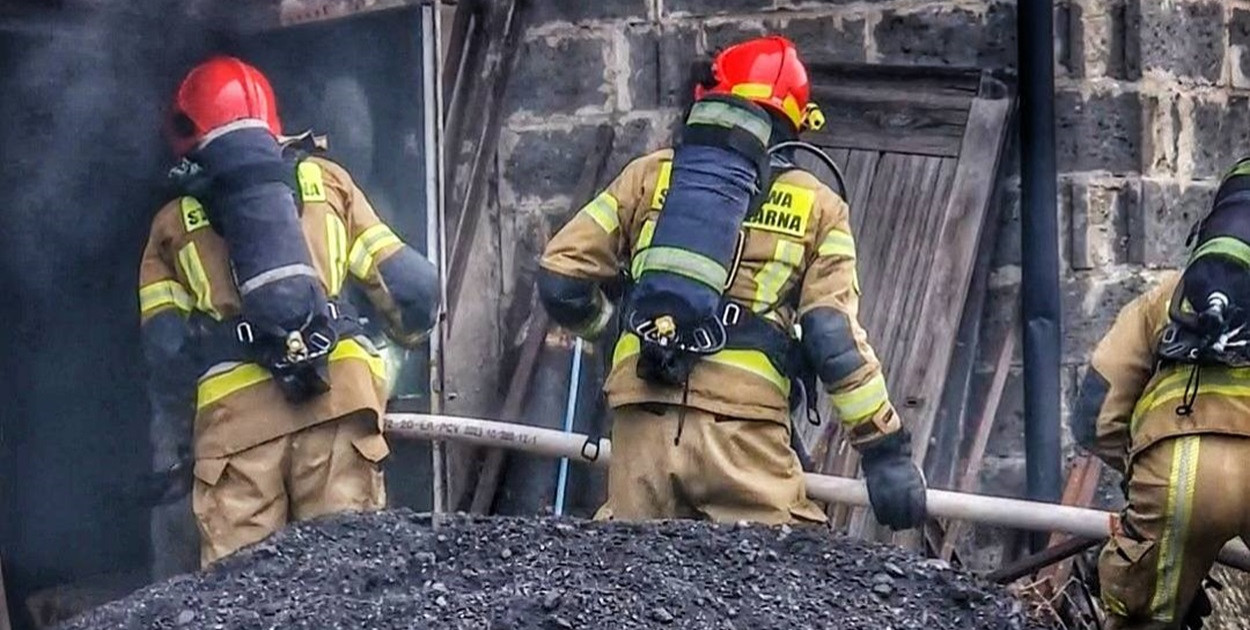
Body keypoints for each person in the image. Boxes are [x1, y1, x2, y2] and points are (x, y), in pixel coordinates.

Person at [536, 36, 926, 529]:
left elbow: (560, 276)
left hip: (642, 427)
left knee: (630, 589)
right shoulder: (818, 205)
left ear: (712, 98)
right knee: (790, 586)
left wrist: (612, 332)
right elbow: (832, 335)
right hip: (744, 436)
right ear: (795, 124)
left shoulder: (647, 177)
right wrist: (884, 450)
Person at [137, 56, 439, 568]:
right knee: (349, 580)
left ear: (188, 131)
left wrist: (191, 432)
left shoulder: (172, 224)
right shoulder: (328, 184)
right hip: (338, 404)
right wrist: (385, 366)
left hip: (235, 433)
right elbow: (412, 290)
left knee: (243, 595)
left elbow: (166, 351)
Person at [1072, 159, 1250, 629]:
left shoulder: (1167, 297)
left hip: (1177, 473)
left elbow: (1096, 415)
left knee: (1140, 620)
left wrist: (1148, 480)